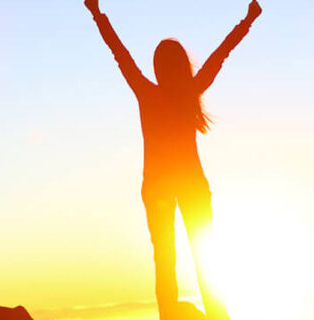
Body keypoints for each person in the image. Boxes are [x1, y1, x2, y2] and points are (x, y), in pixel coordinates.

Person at [84, 1, 263, 319]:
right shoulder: (187, 90)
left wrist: (97, 13)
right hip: (184, 186)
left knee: (166, 261)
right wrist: (247, 20)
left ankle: (170, 315)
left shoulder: (148, 92)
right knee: (202, 258)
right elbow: (221, 53)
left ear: (159, 68)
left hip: (159, 189)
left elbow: (119, 53)